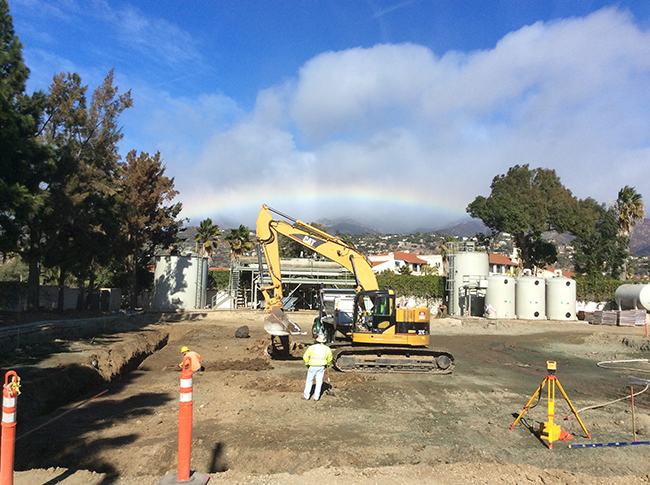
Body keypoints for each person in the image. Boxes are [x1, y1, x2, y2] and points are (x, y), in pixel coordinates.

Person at [302, 333, 333, 401]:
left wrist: (307, 363)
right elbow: (330, 358)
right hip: (321, 367)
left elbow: (305, 356)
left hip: (312, 366)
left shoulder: (311, 347)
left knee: (309, 381)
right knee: (319, 382)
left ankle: (306, 396)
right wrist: (328, 364)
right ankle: (316, 397)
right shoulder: (327, 349)